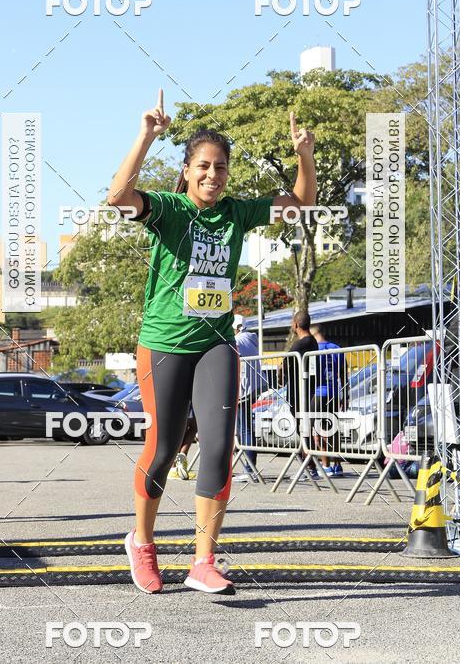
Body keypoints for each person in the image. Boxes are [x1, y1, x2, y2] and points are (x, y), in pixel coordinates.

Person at [108, 89, 316, 594]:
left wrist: (304, 156)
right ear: (187, 168)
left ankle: (203, 559)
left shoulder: (237, 214)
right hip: (164, 343)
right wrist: (146, 135)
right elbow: (118, 197)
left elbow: (302, 203)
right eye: (203, 166)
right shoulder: (168, 210)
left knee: (220, 445)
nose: (212, 175)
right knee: (162, 449)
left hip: (216, 342)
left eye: (220, 167)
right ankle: (142, 541)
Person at [310, 324, 347, 477]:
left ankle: (326, 466)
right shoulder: (336, 348)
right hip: (333, 392)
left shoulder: (313, 349)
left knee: (319, 430)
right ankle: (337, 464)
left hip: (318, 393)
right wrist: (345, 394)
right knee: (334, 430)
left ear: (313, 334)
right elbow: (344, 373)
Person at [285, 311, 319, 480]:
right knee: (303, 430)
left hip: (300, 393)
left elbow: (285, 365)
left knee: (303, 430)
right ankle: (309, 467)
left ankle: (310, 468)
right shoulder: (312, 342)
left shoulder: (300, 345)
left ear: (296, 324)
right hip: (305, 391)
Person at [233, 314, 263, 483]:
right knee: (246, 428)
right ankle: (249, 467)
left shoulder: (239, 341)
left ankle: (250, 468)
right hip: (250, 387)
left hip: (243, 389)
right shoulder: (251, 339)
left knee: (244, 429)